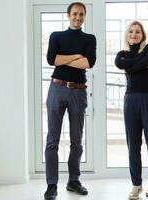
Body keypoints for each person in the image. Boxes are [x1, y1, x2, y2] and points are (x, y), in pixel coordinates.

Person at [44, 2, 96, 200]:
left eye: (81, 14)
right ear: (68, 15)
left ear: (84, 16)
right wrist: (76, 55)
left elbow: (89, 62)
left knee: (77, 140)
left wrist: (63, 58)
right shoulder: (56, 36)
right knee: (52, 140)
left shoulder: (89, 39)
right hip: (57, 89)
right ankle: (51, 185)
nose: (78, 17)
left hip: (78, 92)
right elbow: (51, 60)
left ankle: (73, 181)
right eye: (74, 14)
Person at [115, 20, 148, 200]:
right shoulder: (121, 54)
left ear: (142, 34)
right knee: (133, 144)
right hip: (131, 100)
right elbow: (121, 64)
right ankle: (136, 185)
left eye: (137, 31)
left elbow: (142, 62)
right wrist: (141, 64)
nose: (134, 34)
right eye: (130, 32)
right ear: (126, 35)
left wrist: (132, 66)